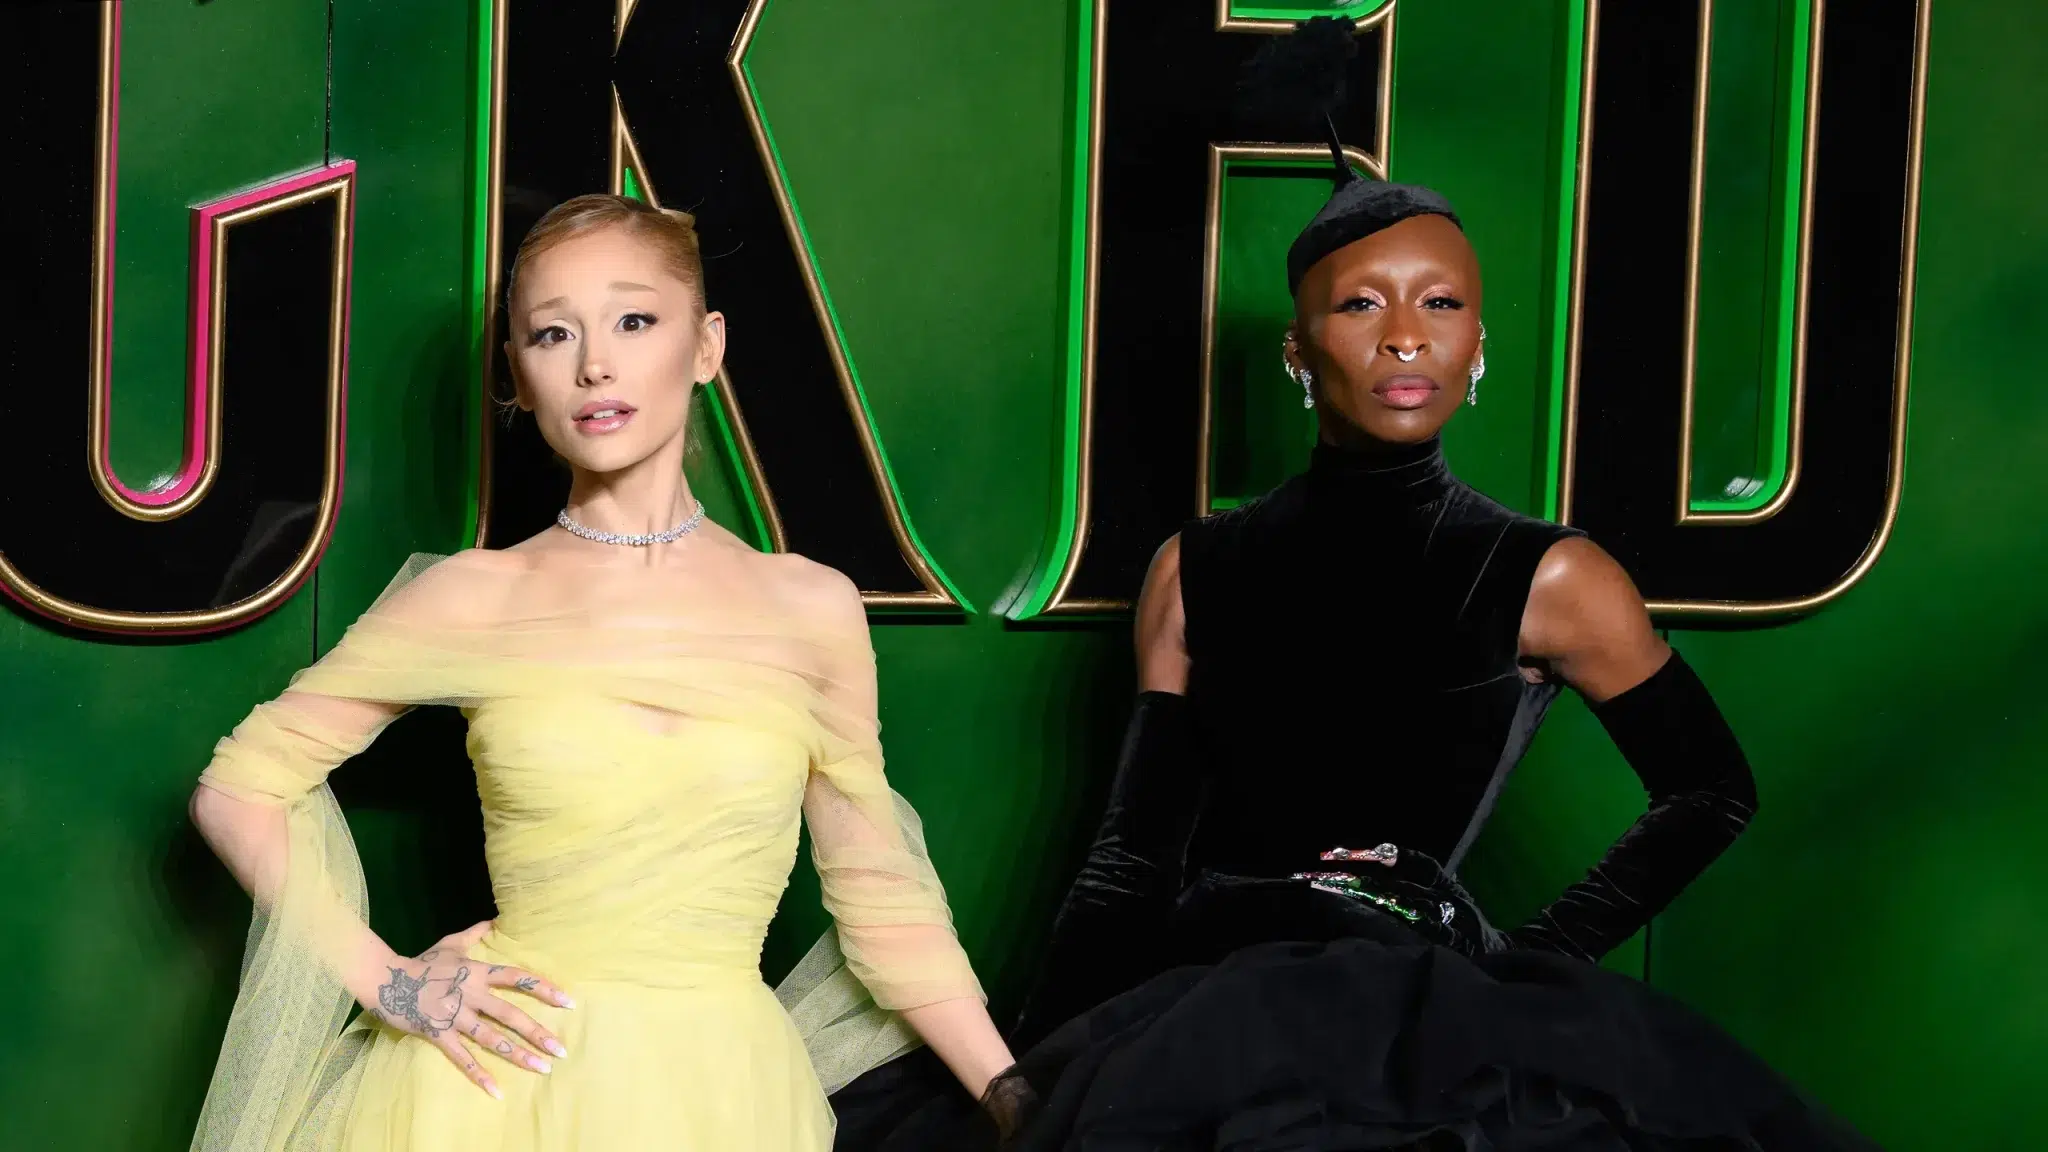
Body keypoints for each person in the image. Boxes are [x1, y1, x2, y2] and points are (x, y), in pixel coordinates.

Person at [820, 18, 1880, 1151]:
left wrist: (1527, 965)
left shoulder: (1551, 576)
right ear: (1298, 348)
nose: (1406, 338)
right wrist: (1039, 1070)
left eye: (1441, 304)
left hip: (1418, 1013)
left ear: (1478, 346)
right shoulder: (1197, 567)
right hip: (1205, 1013)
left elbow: (1709, 790)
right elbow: (1131, 859)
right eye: (1362, 304)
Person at [185, 194, 1019, 1150]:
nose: (595, 365)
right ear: (518, 373)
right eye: (553, 334)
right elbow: (237, 792)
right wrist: (389, 981)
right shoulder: (475, 597)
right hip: (497, 1093)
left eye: (634, 320)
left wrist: (1014, 1098)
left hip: (725, 1099)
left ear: (705, 347)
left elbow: (886, 905)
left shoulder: (811, 607)